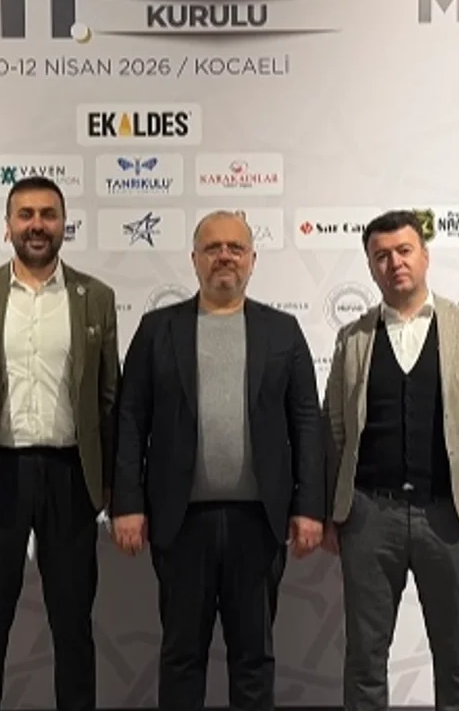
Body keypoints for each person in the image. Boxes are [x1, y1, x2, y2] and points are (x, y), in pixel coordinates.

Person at [112, 210, 326, 711]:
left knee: (254, 657)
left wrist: (309, 507)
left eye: (235, 247)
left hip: (259, 522)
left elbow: (306, 423)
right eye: (213, 248)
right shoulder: (157, 330)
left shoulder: (283, 331)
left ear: (252, 259)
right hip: (180, 523)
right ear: (194, 259)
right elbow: (130, 419)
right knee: (181, 655)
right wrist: (127, 503)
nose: (224, 256)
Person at [320, 209, 459, 711]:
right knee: (365, 659)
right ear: (370, 266)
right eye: (381, 256)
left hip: (449, 516)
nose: (395, 263)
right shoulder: (352, 338)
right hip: (368, 516)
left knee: (457, 658)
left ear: (424, 256)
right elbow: (333, 429)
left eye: (404, 251)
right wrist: (329, 511)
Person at [0, 175, 120, 711]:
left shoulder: (96, 297)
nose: (37, 225)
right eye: (26, 215)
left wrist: (111, 482)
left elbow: (109, 397)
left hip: (71, 475)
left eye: (48, 214)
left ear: (64, 224)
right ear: (8, 226)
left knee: (73, 624)